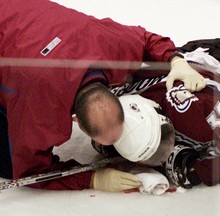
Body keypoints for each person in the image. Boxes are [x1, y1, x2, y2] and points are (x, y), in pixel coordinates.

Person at [0, 0, 206, 191]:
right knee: (8, 163)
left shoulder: (109, 44)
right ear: (77, 123)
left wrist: (176, 61)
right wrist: (92, 179)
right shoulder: (38, 105)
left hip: (18, 15)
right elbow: (29, 171)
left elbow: (146, 40)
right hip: (15, 32)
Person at [94, 25, 220, 188]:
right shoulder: (114, 103)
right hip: (204, 53)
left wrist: (194, 168)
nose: (163, 155)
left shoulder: (193, 106)